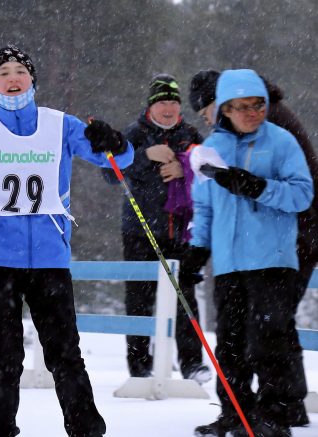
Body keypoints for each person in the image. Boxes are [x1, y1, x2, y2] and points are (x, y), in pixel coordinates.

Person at [0, 45, 133, 437]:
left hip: (50, 258)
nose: (13, 77)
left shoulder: (62, 125)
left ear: (32, 80)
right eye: (3, 72)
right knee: (4, 357)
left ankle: (86, 429)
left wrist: (116, 142)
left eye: (20, 69)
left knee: (65, 354)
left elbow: (116, 160)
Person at [189, 69, 318, 428]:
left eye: (257, 105)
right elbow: (205, 206)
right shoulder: (213, 149)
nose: (250, 113)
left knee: (268, 340)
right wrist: (196, 250)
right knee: (229, 344)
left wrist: (257, 187)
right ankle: (235, 413)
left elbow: (302, 194)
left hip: (272, 260)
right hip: (229, 264)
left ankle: (275, 415)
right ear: (224, 110)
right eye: (240, 107)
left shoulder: (281, 142)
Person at [102, 73, 211, 383]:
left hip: (181, 231)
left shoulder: (190, 134)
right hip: (139, 231)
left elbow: (209, 170)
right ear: (151, 105)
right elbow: (109, 172)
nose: (168, 108)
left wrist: (184, 167)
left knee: (184, 297)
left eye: (173, 102)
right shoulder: (134, 134)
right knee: (139, 299)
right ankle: (139, 368)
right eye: (162, 102)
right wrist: (143, 156)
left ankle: (192, 365)